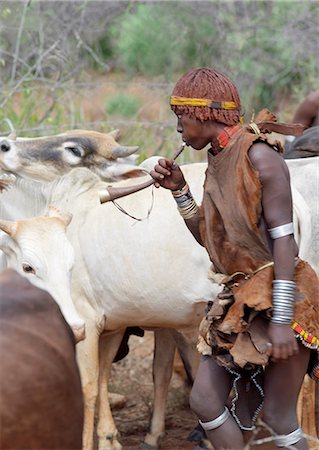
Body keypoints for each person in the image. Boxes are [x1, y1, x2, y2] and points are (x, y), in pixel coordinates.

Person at [150, 67, 319, 450]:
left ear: (207, 113)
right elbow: (213, 243)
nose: (178, 127)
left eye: (182, 116)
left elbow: (285, 245)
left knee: (278, 417)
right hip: (240, 299)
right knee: (205, 400)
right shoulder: (219, 158)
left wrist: (279, 321)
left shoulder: (260, 157)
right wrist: (179, 191)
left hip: (283, 297)